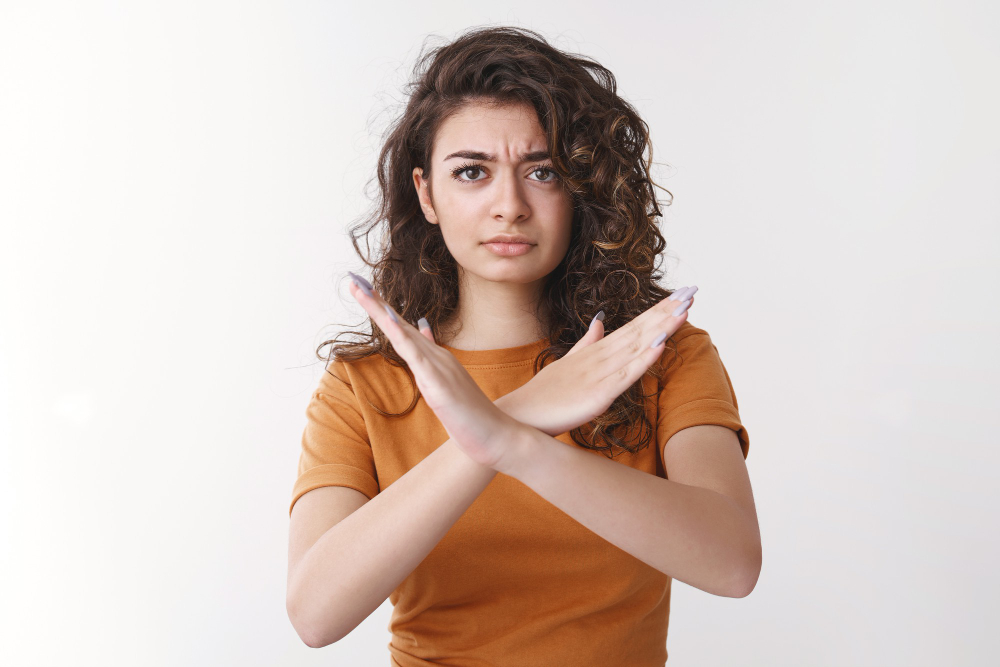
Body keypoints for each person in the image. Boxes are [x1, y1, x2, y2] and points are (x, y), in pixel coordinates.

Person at [286, 26, 760, 665]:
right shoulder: (364, 386)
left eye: (542, 172)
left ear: (578, 188)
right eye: (473, 172)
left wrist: (511, 444)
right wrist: (514, 419)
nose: (509, 205)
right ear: (427, 193)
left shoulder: (656, 353)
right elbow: (315, 614)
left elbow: (731, 564)